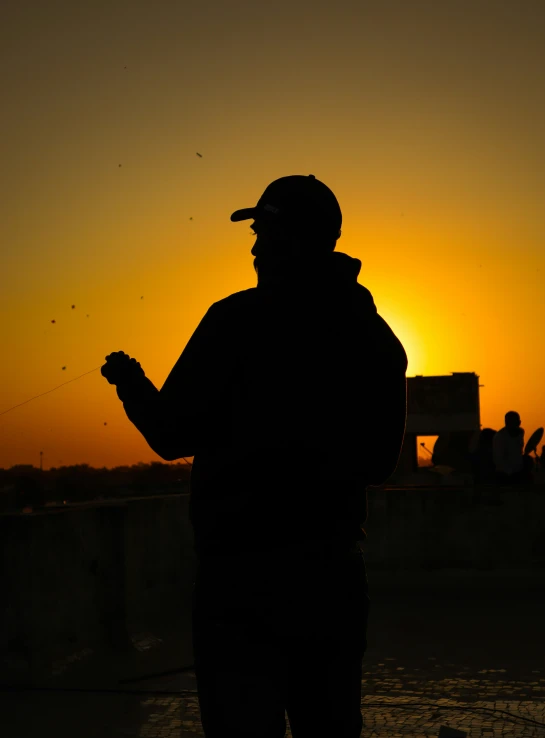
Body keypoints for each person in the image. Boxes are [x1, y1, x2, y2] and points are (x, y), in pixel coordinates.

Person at [101, 174, 408, 738]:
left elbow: (171, 434)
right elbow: (379, 464)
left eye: (265, 233)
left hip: (241, 585)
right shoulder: (375, 337)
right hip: (330, 581)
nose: (255, 248)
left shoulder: (236, 320)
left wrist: (131, 382)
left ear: (294, 239)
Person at [492, 411, 533, 485]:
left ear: (519, 422)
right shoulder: (500, 437)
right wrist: (511, 473)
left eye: (514, 422)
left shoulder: (520, 433)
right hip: (505, 476)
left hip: (518, 473)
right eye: (510, 421)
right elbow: (499, 460)